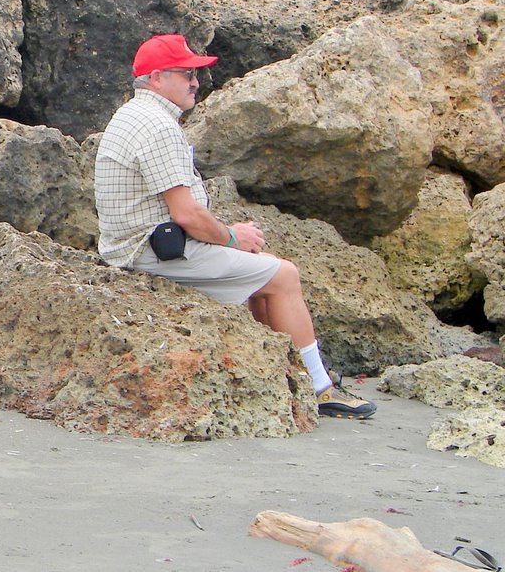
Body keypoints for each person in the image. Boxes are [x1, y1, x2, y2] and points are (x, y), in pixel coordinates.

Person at [94, 34, 376, 419]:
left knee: (263, 281)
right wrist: (231, 237)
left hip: (132, 247)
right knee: (285, 276)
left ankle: (284, 376)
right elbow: (187, 215)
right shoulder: (158, 126)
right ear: (157, 78)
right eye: (187, 73)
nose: (196, 82)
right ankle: (320, 388)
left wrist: (229, 240)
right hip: (151, 254)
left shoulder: (131, 115)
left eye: (196, 73)